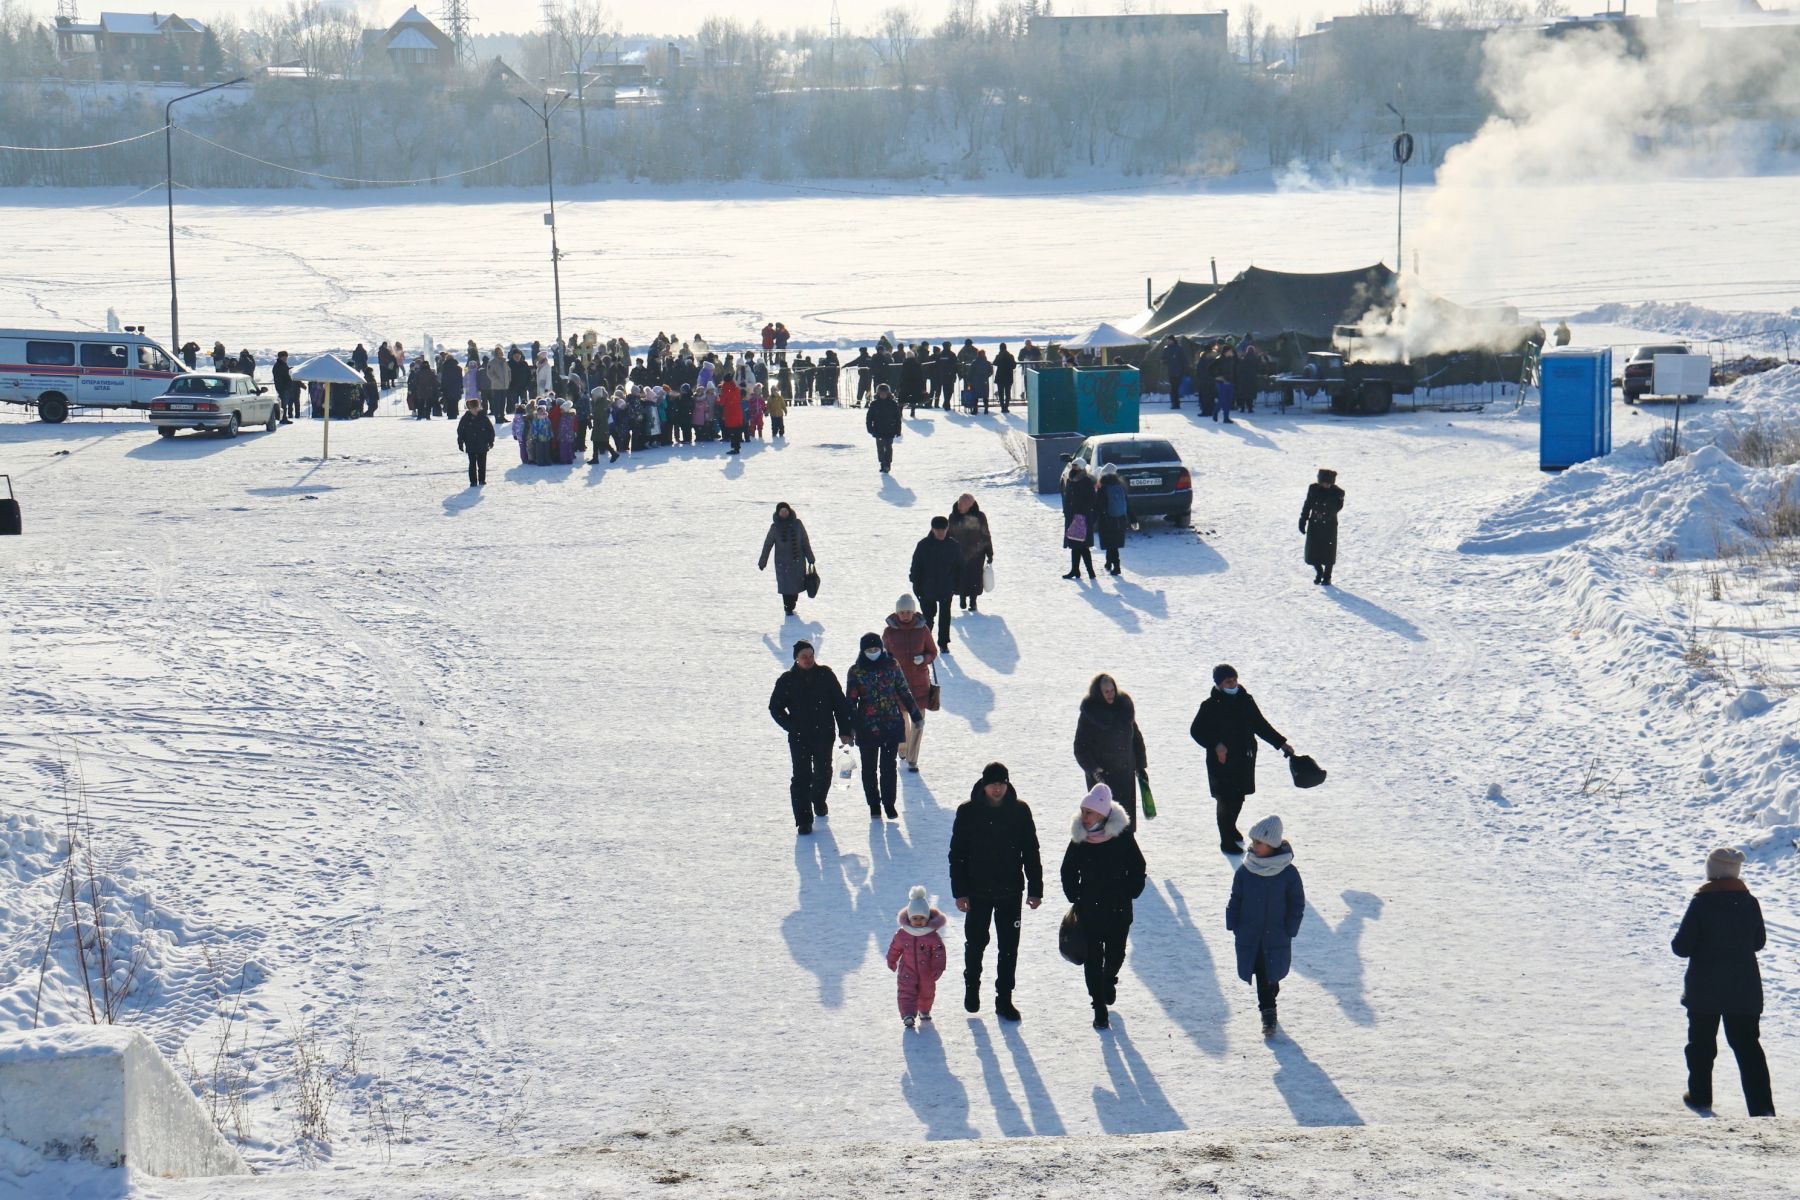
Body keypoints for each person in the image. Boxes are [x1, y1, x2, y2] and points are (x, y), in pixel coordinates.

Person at [1672, 847, 1775, 1116]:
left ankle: (1700, 1096)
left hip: (1704, 989)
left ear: (1712, 871)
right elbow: (1758, 942)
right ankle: (1762, 1108)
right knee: (1748, 1047)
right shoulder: (1749, 902)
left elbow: (1681, 947)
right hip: (1744, 989)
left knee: (1701, 1047)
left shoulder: (1701, 902)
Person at [949, 762, 1043, 1021]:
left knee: (1009, 948)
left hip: (1011, 891)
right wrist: (960, 892)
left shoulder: (1020, 811)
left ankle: (1004, 999)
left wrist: (1035, 889)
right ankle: (972, 988)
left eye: (1002, 783)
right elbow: (957, 855)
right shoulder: (968, 812)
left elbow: (1031, 852)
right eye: (993, 784)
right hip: (977, 892)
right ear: (984, 785)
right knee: (976, 944)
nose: (998, 788)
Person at [1060, 782, 1145, 1030]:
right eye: (1083, 811)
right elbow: (1067, 870)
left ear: (1103, 814)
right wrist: (1074, 894)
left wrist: (1132, 890)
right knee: (1093, 959)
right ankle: (1098, 1007)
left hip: (1119, 909)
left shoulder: (1122, 837)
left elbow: (1138, 866)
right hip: (1089, 910)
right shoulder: (1079, 839)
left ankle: (1109, 979)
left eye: (1089, 812)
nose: (1084, 817)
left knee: (1115, 955)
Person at [1189, 665, 1293, 854]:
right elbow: (1196, 731)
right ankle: (1226, 840)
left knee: (1238, 798)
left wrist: (1281, 743)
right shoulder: (1210, 706)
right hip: (1220, 761)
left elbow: (1261, 725)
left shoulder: (1246, 700)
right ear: (1219, 684)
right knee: (1224, 799)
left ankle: (1231, 827)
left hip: (1243, 759)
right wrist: (1216, 744)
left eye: (1235, 679)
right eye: (1228, 681)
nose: (1233, 683)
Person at [1226, 815, 1305, 1038]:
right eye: (1253, 842)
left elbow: (1296, 903)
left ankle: (1270, 992)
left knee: (1272, 974)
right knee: (1261, 971)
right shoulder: (1245, 871)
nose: (1253, 846)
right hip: (1250, 933)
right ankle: (1268, 1013)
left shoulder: (1288, 873)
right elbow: (1236, 897)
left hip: (1277, 935)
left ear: (1272, 844)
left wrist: (1291, 927)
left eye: (1259, 842)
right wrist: (1233, 921)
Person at [768, 639, 852, 836]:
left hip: (824, 734)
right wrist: (790, 726)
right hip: (799, 737)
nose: (808, 660)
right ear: (796, 659)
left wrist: (845, 730)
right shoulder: (786, 680)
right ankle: (804, 820)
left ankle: (818, 798)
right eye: (804, 657)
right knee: (801, 777)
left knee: (824, 772)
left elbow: (840, 705)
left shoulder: (826, 675)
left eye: (811, 656)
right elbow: (775, 708)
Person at [845, 632, 922, 820]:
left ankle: (889, 804)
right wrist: (850, 728)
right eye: (869, 650)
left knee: (888, 767)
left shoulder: (891, 665)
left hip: (890, 724)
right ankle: (873, 804)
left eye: (876, 649)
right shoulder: (856, 671)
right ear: (863, 651)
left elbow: (903, 690)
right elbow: (851, 702)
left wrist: (915, 715)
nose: (873, 653)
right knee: (869, 768)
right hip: (867, 726)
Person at [1073, 673, 1148, 832]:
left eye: (1112, 690)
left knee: (1125, 825)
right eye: (1106, 691)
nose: (1110, 694)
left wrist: (1140, 767)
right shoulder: (1090, 714)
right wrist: (1093, 770)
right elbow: (1080, 747)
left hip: (1125, 775)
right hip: (1102, 780)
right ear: (1098, 693)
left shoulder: (1124, 708)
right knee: (1103, 826)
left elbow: (1136, 738)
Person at [883, 595, 938, 773]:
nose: (905, 615)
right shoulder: (889, 632)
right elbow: (884, 657)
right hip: (898, 686)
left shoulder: (923, 630)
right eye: (902, 612)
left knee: (918, 722)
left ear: (913, 612)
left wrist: (923, 659)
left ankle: (913, 759)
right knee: (901, 721)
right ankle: (903, 748)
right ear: (897, 612)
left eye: (908, 611)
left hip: (920, 685)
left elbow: (933, 652)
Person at [887, 886, 949, 1030]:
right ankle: (908, 1014)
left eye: (922, 918)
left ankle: (924, 1010)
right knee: (906, 992)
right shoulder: (902, 934)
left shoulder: (932, 935)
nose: (918, 921)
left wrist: (938, 967)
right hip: (907, 970)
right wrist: (891, 960)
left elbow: (939, 953)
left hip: (926, 971)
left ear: (927, 918)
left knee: (927, 992)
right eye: (915, 918)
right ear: (909, 917)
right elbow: (895, 948)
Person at [908, 516, 961, 649]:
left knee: (945, 617)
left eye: (943, 529)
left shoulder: (953, 545)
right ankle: (926, 642)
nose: (940, 532)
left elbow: (959, 567)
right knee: (928, 618)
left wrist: (956, 585)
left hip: (946, 588)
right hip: (927, 589)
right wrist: (916, 585)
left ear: (947, 528)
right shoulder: (923, 545)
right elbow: (916, 566)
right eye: (937, 529)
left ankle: (943, 643)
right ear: (932, 529)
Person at [758, 502, 815, 617]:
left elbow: (805, 541)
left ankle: (792, 603)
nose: (784, 513)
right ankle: (787, 607)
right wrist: (762, 562)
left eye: (785, 511)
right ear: (778, 513)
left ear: (789, 511)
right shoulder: (774, 528)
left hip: (797, 562)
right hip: (782, 564)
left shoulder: (798, 524)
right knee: (786, 588)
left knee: (795, 587)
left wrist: (810, 557)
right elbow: (767, 545)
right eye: (781, 511)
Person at [946, 494, 992, 612]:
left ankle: (973, 601)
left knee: (975, 577)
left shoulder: (980, 516)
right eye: (959, 503)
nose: (959, 506)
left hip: (977, 553)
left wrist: (989, 552)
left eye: (962, 504)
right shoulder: (953, 517)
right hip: (959, 552)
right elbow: (948, 534)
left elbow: (985, 534)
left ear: (969, 506)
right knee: (960, 576)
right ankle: (962, 597)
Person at [1299, 468, 1345, 586]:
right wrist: (1303, 520)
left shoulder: (1338, 492)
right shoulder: (1313, 489)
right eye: (1324, 482)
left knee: (1328, 553)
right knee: (1312, 552)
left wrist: (1326, 512)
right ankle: (1319, 572)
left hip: (1329, 526)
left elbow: (1337, 507)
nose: (1326, 485)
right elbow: (1307, 504)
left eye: (1329, 483)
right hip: (1314, 524)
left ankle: (1327, 577)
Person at [1061, 460, 1098, 581]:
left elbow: (1092, 499)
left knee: (1082, 545)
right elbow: (1067, 497)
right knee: (1074, 545)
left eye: (1076, 466)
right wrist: (1067, 511)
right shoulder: (1071, 479)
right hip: (1072, 516)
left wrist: (1081, 510)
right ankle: (1075, 570)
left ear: (1081, 467)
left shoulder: (1086, 481)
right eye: (1073, 466)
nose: (1073, 468)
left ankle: (1090, 571)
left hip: (1082, 516)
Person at [1096, 465, 1130, 576]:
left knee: (1110, 544)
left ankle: (1116, 566)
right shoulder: (1120, 486)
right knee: (1113, 543)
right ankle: (1109, 562)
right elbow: (1127, 503)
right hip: (1120, 519)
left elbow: (1099, 506)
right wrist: (1133, 519)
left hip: (1107, 519)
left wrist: (1091, 520)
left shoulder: (1103, 488)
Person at [456, 398, 495, 487]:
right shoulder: (465, 419)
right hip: (471, 444)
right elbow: (460, 431)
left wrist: (491, 441)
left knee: (482, 464)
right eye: (473, 408)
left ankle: (482, 480)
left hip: (482, 444)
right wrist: (460, 442)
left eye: (476, 408)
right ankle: (473, 481)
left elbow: (490, 430)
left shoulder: (483, 417)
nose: (475, 410)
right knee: (472, 464)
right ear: (469, 409)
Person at [866, 383, 902, 474]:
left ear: (888, 394)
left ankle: (887, 464)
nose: (883, 395)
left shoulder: (893, 404)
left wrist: (898, 430)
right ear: (878, 394)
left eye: (884, 393)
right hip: (878, 430)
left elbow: (898, 418)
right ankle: (882, 463)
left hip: (890, 429)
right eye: (881, 393)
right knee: (880, 448)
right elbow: (869, 418)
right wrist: (870, 429)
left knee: (888, 447)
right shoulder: (874, 404)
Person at [719, 377, 745, 455]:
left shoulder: (726, 391)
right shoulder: (736, 389)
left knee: (732, 432)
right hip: (738, 413)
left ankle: (734, 448)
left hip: (730, 414)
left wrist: (719, 397)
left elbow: (721, 403)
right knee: (737, 431)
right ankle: (737, 447)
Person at [271, 350, 296, 423]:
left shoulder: (282, 364)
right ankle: (283, 418)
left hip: (285, 387)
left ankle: (284, 417)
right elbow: (282, 376)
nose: (286, 358)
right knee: (283, 404)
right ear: (280, 357)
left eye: (286, 357)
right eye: (284, 357)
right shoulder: (279, 365)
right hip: (282, 387)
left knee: (285, 403)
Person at [993, 344, 1017, 413]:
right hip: (1008, 377)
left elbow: (994, 363)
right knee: (1007, 393)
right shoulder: (1010, 356)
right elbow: (1014, 366)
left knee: (1001, 393)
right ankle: (1006, 406)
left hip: (1000, 377)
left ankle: (1002, 407)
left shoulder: (998, 356)